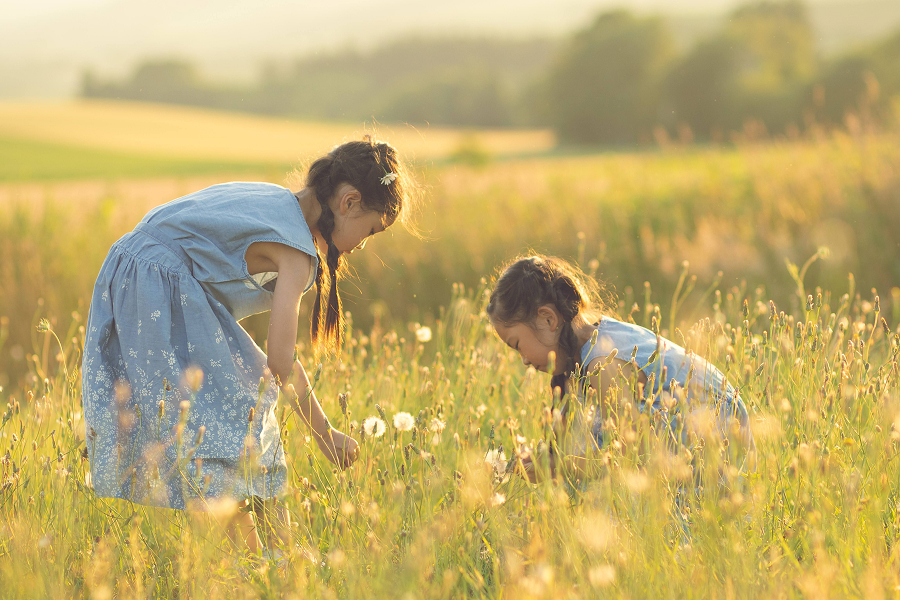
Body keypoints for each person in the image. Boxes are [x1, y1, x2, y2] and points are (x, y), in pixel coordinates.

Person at [81, 137, 413, 558]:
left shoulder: (277, 202)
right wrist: (324, 432)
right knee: (222, 432)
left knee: (234, 420)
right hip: (153, 287)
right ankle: (261, 565)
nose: (364, 244)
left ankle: (275, 561)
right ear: (349, 202)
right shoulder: (297, 254)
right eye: (371, 231)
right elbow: (281, 362)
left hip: (135, 272)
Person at [486, 255, 752, 485]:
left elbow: (632, 458)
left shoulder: (604, 363)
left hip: (717, 455)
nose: (523, 360)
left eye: (517, 346)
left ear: (548, 319)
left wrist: (559, 467)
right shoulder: (581, 356)